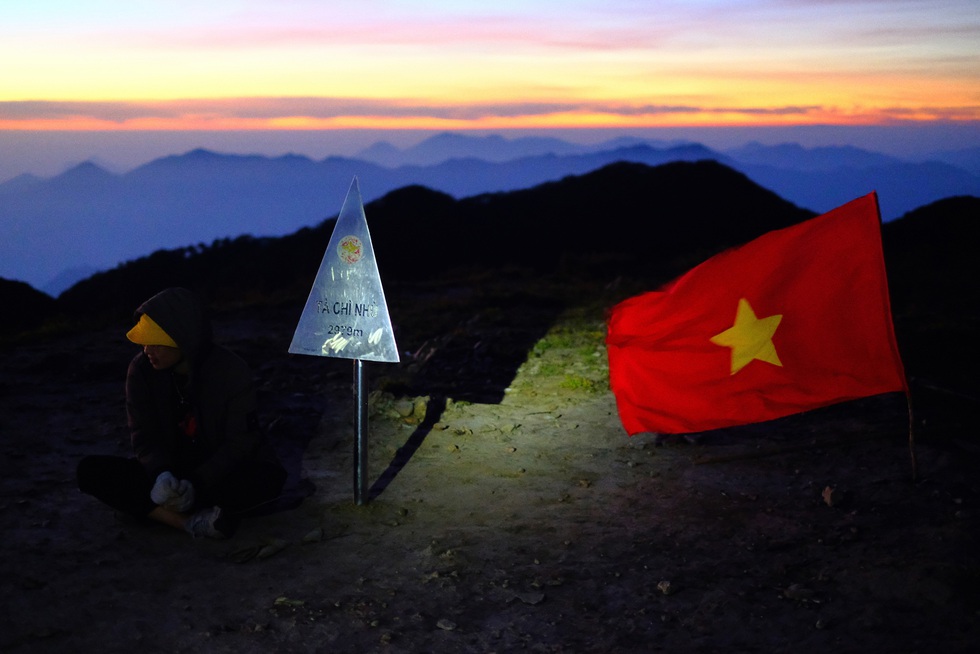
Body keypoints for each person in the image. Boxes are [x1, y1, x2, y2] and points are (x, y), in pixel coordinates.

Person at [77, 287, 286, 539]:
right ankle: (189, 523)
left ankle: (154, 510)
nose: (147, 350)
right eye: (145, 342)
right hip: (173, 470)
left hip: (215, 470)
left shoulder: (231, 370)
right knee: (90, 471)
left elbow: (241, 442)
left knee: (268, 479)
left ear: (183, 339)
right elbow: (143, 435)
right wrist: (160, 473)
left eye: (156, 343)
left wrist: (197, 483)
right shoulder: (141, 372)